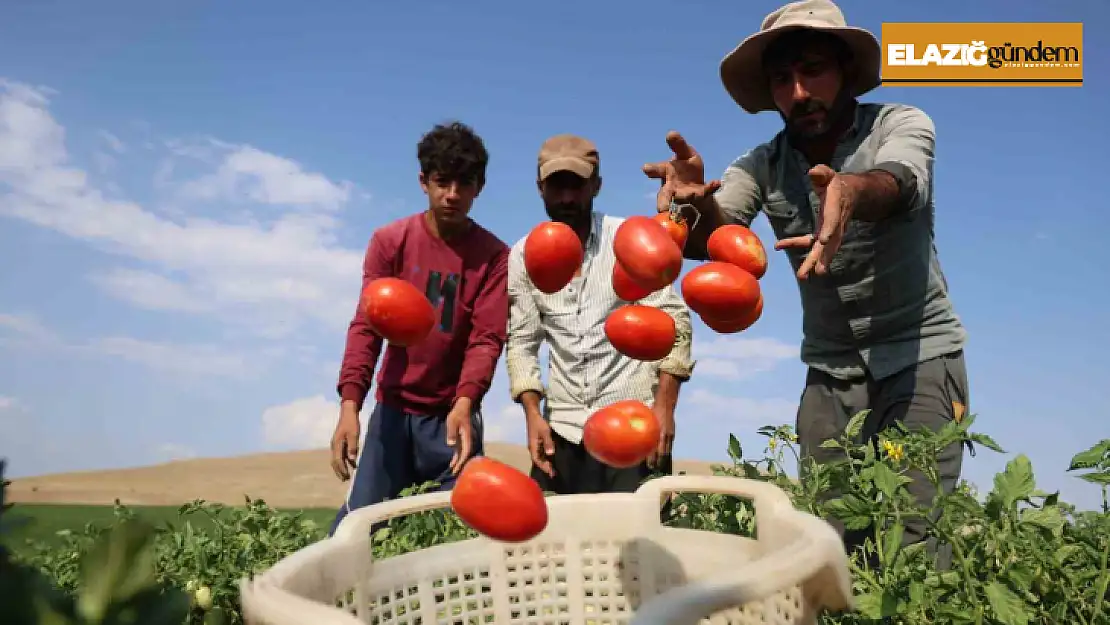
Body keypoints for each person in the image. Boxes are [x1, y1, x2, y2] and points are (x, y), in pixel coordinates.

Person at [642, 0, 969, 567]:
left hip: (918, 355)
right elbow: (718, 238)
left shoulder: (901, 123)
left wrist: (849, 191)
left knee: (919, 545)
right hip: (829, 369)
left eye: (813, 69)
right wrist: (690, 212)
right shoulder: (762, 165)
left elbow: (900, 181)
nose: (799, 92)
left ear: (844, 69)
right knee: (828, 543)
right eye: (782, 78)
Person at [328, 121, 510, 536]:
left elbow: (486, 337)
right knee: (358, 531)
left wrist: (466, 402)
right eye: (442, 182)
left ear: (479, 187)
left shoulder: (494, 257)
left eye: (464, 184)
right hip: (393, 413)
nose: (452, 195)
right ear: (423, 181)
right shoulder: (391, 241)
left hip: (451, 418)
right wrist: (350, 406)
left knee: (455, 535)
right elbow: (366, 326)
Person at [507, 133, 695, 496]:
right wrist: (532, 416)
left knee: (636, 545)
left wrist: (664, 409)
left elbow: (674, 323)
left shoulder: (628, 239)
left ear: (596, 185)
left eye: (576, 185)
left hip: (631, 428)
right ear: (539, 188)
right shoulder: (522, 256)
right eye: (556, 186)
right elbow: (522, 342)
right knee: (555, 546)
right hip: (562, 432)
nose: (566, 198)